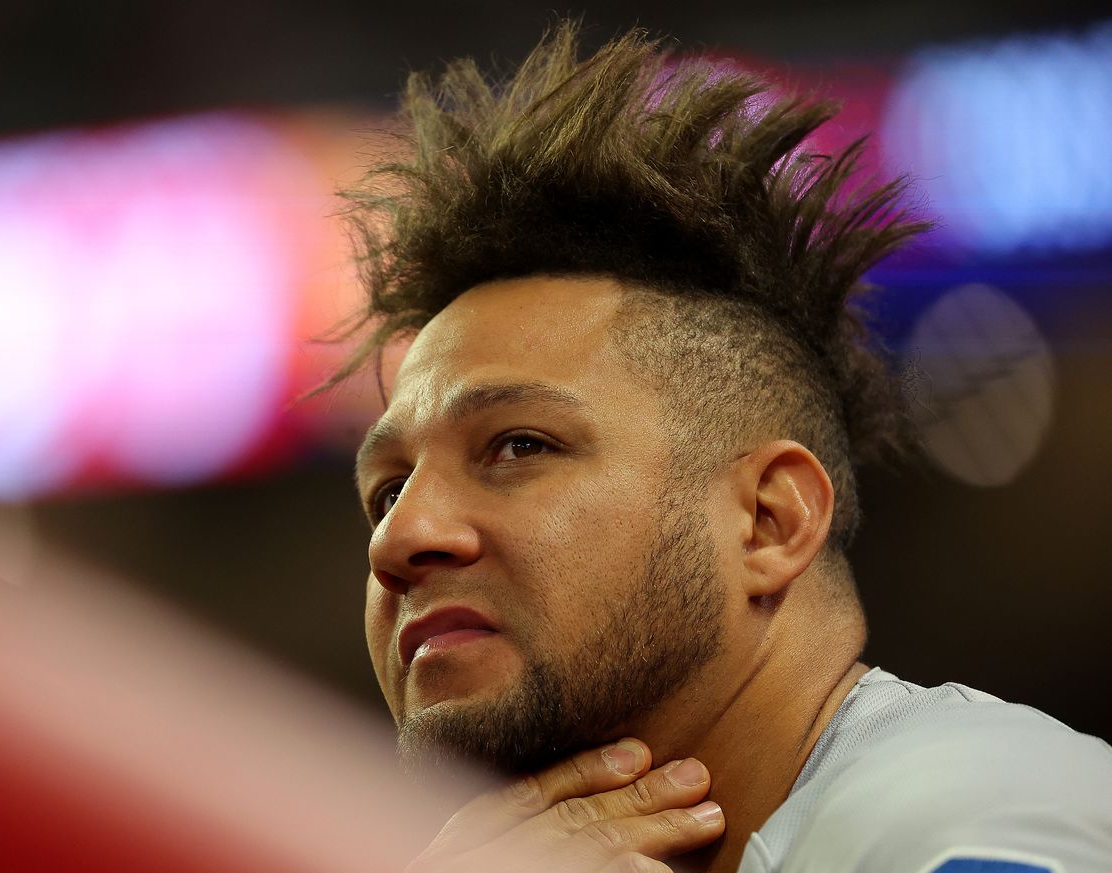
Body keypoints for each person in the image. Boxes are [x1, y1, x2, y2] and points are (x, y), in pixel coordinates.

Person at [328, 22, 1112, 873]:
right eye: (388, 487)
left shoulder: (970, 817)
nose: (397, 540)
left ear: (768, 521)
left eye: (518, 445)